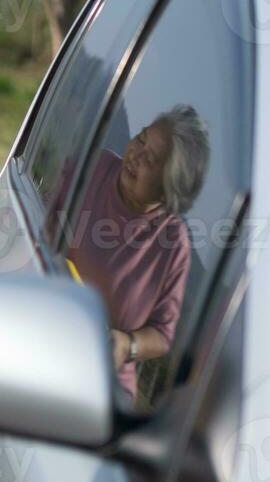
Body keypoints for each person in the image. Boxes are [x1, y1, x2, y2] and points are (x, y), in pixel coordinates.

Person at [63, 105, 209, 399]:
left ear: (168, 189)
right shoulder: (94, 167)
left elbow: (162, 334)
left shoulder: (173, 242)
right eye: (141, 139)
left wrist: (127, 345)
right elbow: (40, 227)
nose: (136, 156)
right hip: (45, 333)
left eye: (151, 159)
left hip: (100, 382)